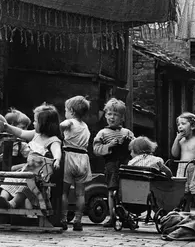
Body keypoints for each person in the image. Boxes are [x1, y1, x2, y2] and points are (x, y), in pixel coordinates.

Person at [0, 103, 62, 209]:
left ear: (44, 124)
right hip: (27, 169)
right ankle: (3, 199)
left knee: (27, 184)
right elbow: (21, 132)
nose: (33, 123)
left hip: (38, 174)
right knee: (12, 179)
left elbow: (57, 150)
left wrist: (57, 159)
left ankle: (13, 203)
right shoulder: (36, 134)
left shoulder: (52, 140)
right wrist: (6, 127)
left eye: (35, 121)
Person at [93, 98, 134, 227]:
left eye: (115, 115)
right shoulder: (102, 133)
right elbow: (96, 150)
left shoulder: (127, 132)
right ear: (105, 115)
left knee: (126, 191)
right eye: (109, 114)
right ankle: (112, 217)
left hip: (125, 165)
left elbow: (136, 147)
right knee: (111, 191)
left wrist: (129, 142)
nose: (112, 117)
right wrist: (109, 146)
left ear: (122, 118)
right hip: (111, 165)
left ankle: (127, 216)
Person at [60, 96, 93, 231]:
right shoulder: (85, 126)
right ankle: (78, 220)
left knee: (64, 192)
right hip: (83, 158)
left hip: (69, 156)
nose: (65, 113)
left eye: (66, 110)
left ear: (72, 111)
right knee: (80, 193)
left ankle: (63, 219)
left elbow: (62, 126)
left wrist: (59, 130)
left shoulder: (70, 122)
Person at [171, 112, 195, 218]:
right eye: (178, 124)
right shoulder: (181, 141)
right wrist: (176, 140)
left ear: (192, 126)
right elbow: (174, 154)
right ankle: (185, 220)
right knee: (184, 198)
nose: (180, 126)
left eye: (183, 124)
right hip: (183, 169)